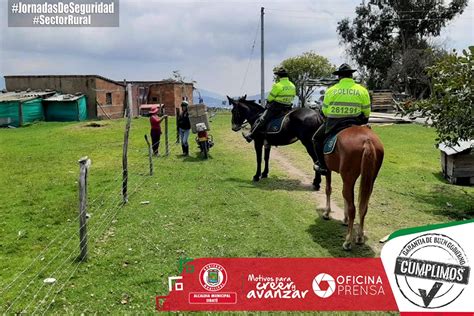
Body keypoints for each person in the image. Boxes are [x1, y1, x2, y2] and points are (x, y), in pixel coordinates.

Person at [313, 63, 371, 175]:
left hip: (335, 123)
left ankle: (322, 166)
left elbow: (325, 111)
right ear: (351, 76)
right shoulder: (362, 90)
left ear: (339, 76)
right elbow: (366, 112)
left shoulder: (331, 90)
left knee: (316, 139)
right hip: (355, 122)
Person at [243, 66, 296, 142]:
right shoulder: (292, 85)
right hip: (288, 107)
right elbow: (293, 96)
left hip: (277, 107)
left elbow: (270, 98)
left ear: (279, 76)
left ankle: (251, 136)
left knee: (262, 118)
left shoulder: (277, 85)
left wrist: (268, 104)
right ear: (286, 75)